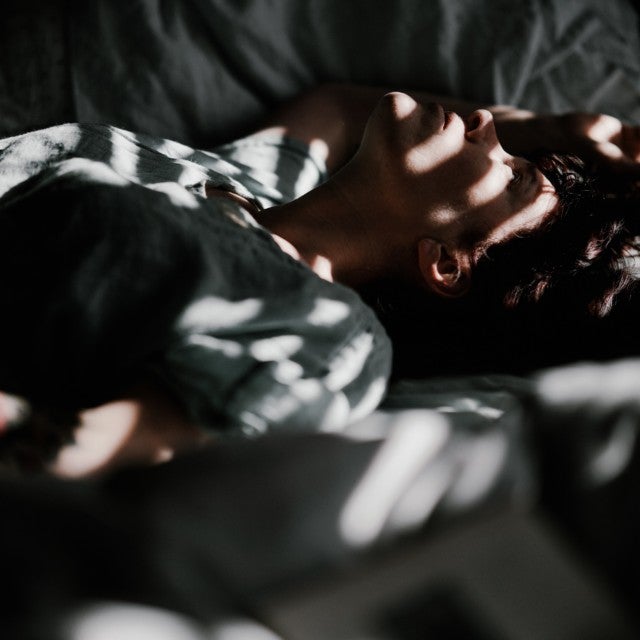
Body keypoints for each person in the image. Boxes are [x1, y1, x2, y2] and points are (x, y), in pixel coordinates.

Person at [0, 83, 638, 476]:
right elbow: (335, 106)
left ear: (448, 263)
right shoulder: (242, 178)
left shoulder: (337, 338)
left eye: (513, 174)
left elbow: (138, 437)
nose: (486, 124)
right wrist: (548, 129)